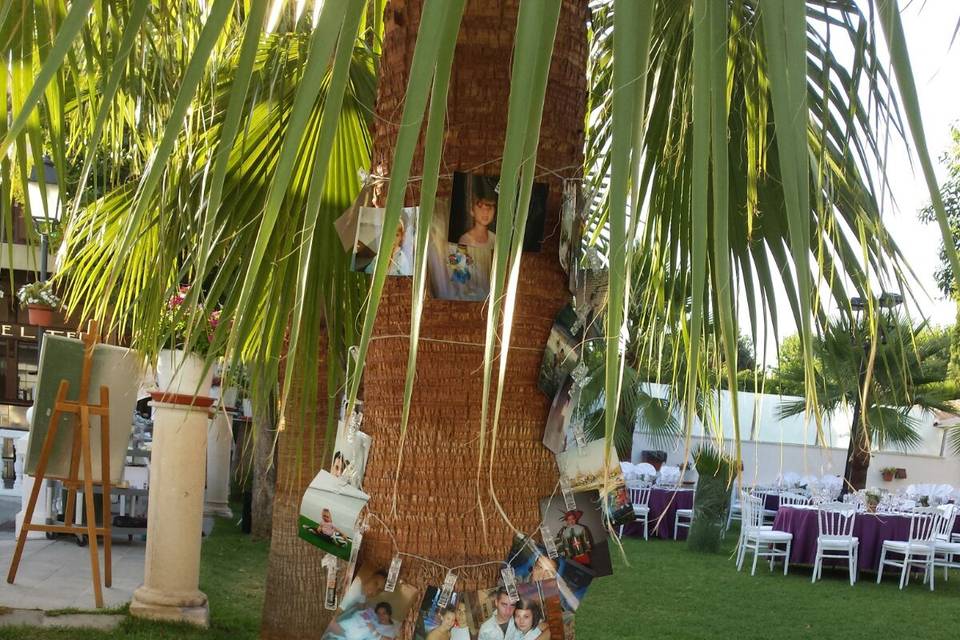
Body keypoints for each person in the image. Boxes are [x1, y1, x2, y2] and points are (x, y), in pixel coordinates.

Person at [458, 175, 498, 249]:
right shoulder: (465, 240)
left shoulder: (495, 240)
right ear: (472, 209)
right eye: (480, 206)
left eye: (490, 207)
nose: (486, 212)